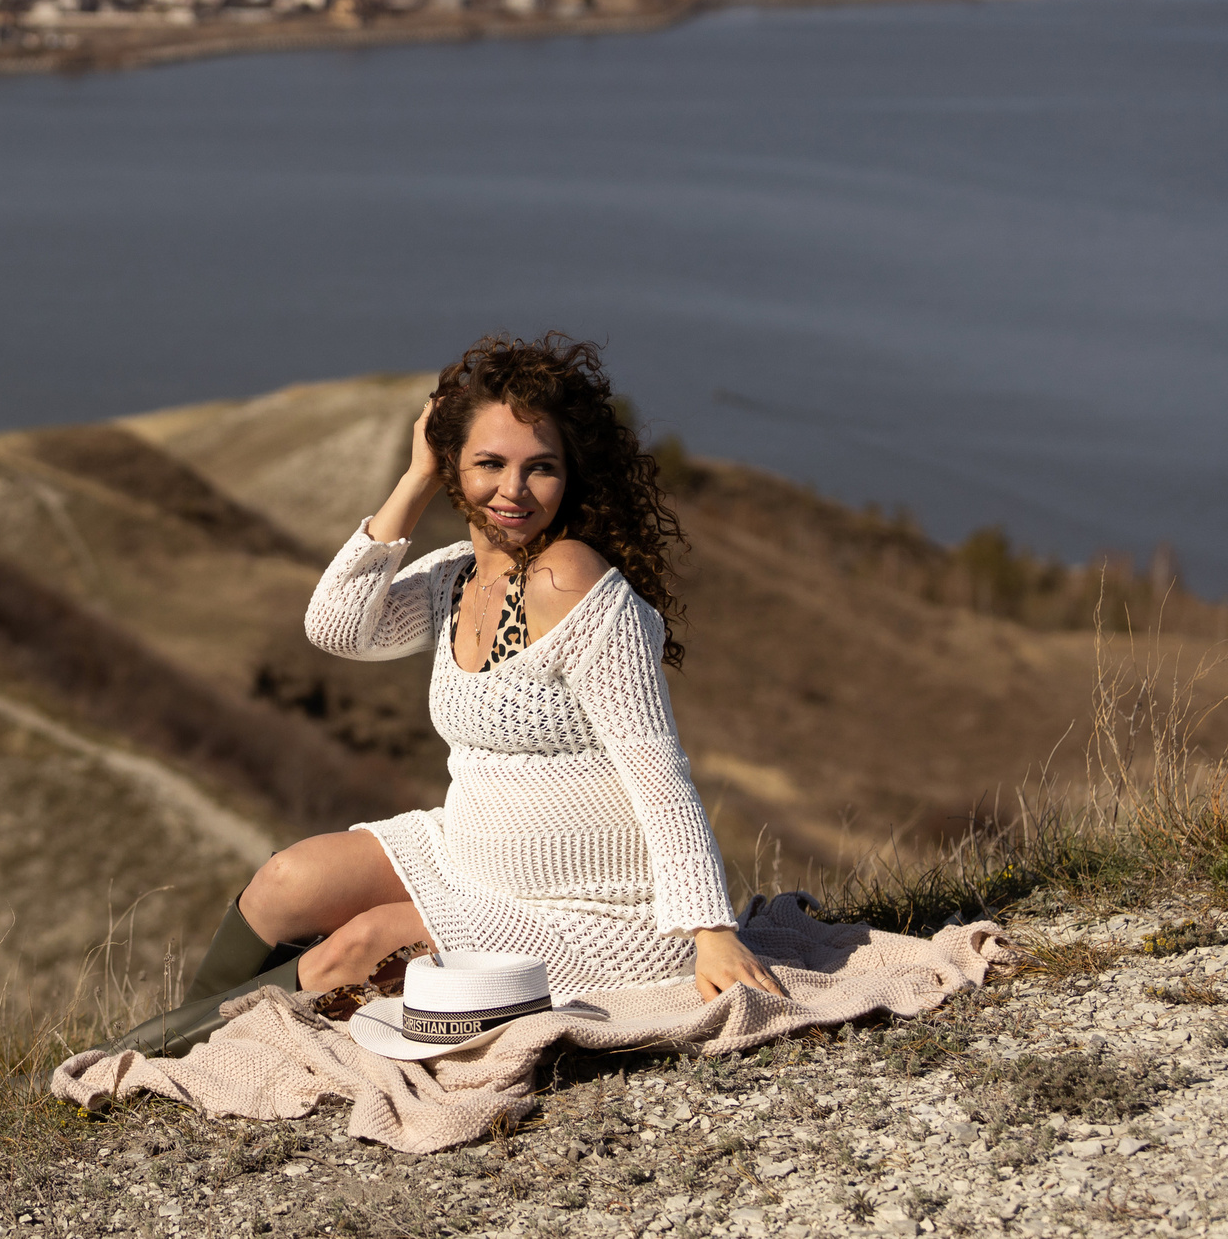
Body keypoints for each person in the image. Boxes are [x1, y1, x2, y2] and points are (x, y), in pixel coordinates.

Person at [110, 333, 783, 1058]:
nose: (514, 491)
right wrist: (415, 478)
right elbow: (335, 625)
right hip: (466, 855)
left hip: (589, 911)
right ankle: (182, 1046)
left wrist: (711, 933)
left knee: (352, 950)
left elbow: (658, 769)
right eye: (488, 464)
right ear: (454, 468)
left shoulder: (575, 583)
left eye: (541, 468)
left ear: (570, 475)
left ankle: (138, 1063)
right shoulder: (454, 576)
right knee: (284, 879)